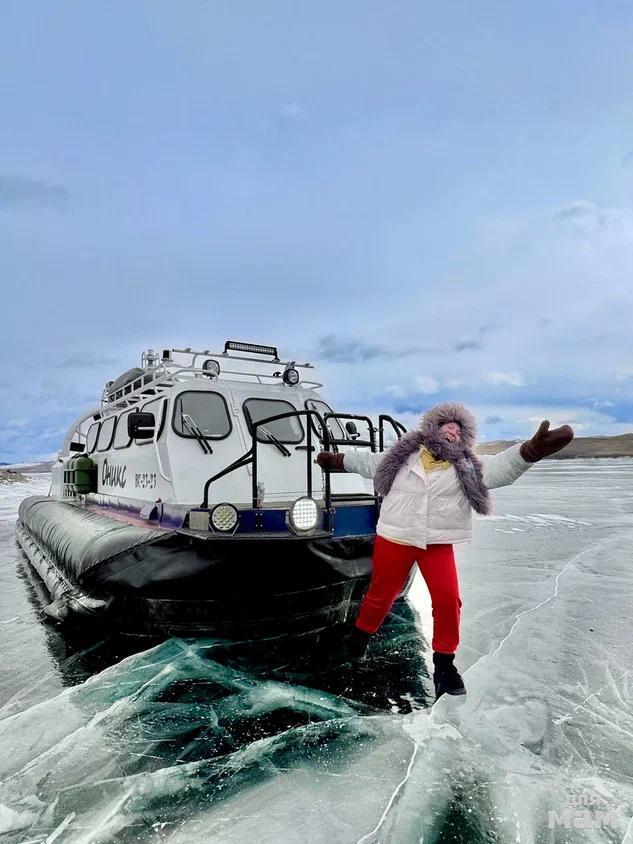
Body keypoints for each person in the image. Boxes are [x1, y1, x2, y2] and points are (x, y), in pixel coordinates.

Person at [316, 401, 574, 699]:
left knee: (448, 600)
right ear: (433, 429)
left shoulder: (465, 466)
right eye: (448, 427)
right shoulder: (402, 456)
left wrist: (529, 451)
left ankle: (444, 665)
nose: (453, 432)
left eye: (458, 431)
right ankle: (359, 639)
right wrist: (334, 460)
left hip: (436, 542)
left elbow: (499, 469)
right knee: (381, 594)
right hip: (395, 537)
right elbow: (367, 462)